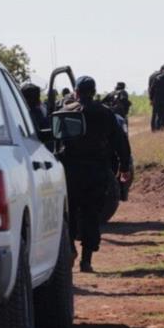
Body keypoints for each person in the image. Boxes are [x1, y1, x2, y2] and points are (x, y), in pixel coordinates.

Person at [60, 76, 133, 272]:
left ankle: (69, 248)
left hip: (70, 172)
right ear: (93, 92)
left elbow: (56, 141)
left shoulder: (65, 112)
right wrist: (125, 168)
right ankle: (87, 260)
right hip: (97, 171)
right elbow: (120, 141)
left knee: (70, 213)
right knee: (91, 214)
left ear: (76, 92)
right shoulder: (106, 113)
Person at [148, 65, 164, 132]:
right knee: (162, 114)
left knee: (154, 114)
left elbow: (150, 88)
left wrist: (151, 99)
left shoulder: (152, 75)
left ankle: (153, 129)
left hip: (155, 98)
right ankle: (160, 127)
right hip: (163, 99)